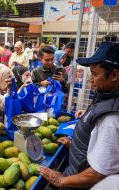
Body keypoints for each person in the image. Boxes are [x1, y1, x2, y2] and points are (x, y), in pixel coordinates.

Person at [39, 42, 119, 189]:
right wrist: (74, 145)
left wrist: (61, 181)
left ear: (114, 75)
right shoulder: (106, 97)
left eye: (95, 74)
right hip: (76, 167)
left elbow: (98, 173)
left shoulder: (112, 119)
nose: (90, 79)